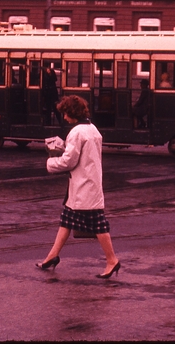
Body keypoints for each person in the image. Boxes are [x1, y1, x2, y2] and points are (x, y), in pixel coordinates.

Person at [36, 95, 121, 279]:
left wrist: (51, 161)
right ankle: (52, 256)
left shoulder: (76, 132)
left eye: (66, 114)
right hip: (88, 184)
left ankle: (112, 260)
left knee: (98, 225)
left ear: (72, 113)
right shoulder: (93, 129)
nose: (64, 118)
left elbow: (69, 161)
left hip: (84, 186)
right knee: (66, 220)